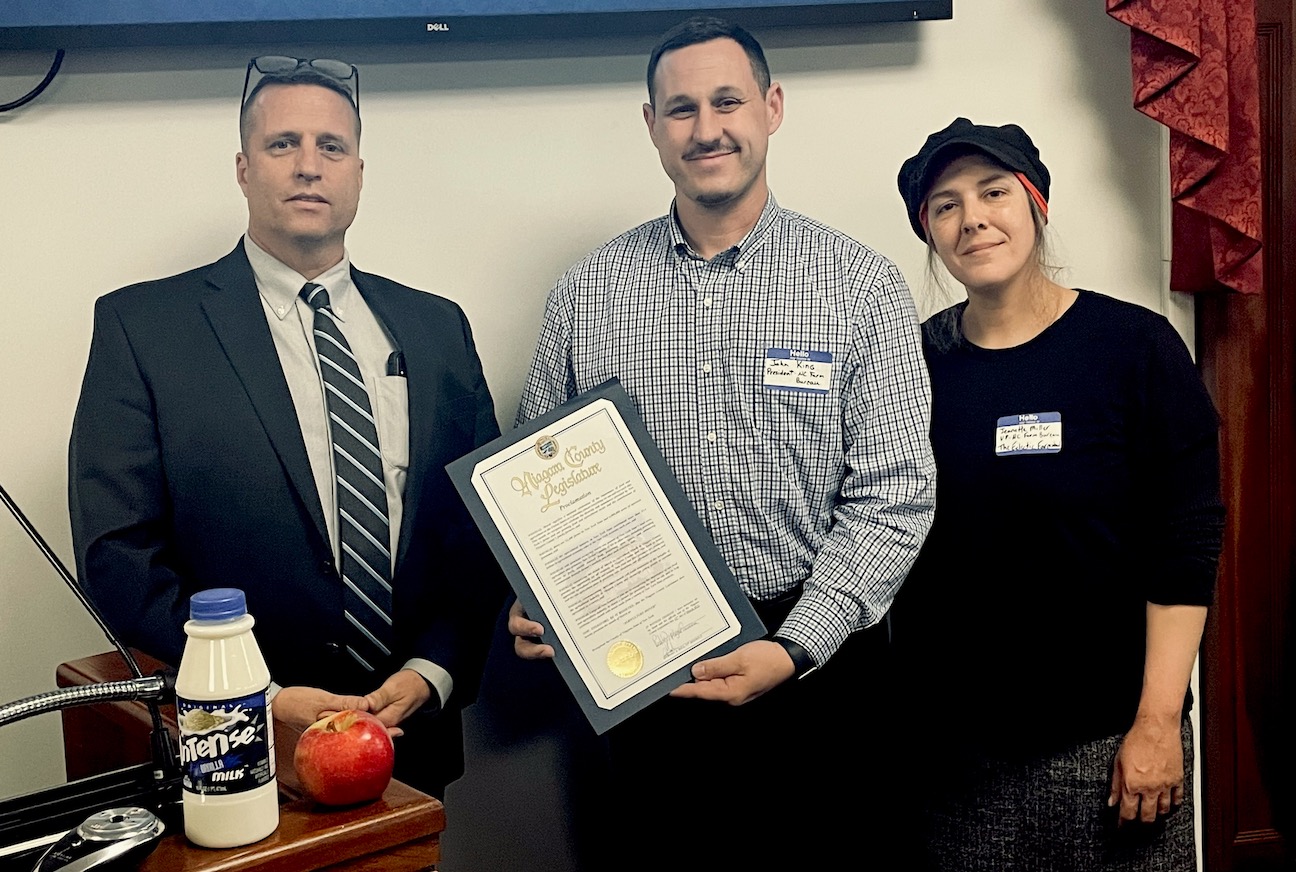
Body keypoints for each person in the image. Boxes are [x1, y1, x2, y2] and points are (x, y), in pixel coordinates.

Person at [506, 15, 936, 869]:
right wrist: (535, 591)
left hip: (817, 670)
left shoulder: (860, 285)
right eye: (682, 109)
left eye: (728, 102)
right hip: (642, 675)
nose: (706, 129)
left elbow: (895, 494)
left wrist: (794, 645)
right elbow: (534, 476)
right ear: (652, 125)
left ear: (771, 108)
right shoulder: (587, 294)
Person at [68, 56, 506, 798]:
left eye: (332, 147)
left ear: (359, 173)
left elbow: (478, 532)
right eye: (283, 144)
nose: (309, 165)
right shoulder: (142, 329)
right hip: (231, 749)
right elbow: (118, 556)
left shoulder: (438, 328)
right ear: (243, 169)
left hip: (410, 744)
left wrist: (432, 671)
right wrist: (255, 697)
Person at [890, 117, 1225, 870]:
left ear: (1036, 204)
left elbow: (1187, 539)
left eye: (993, 192)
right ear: (929, 232)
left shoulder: (1134, 347)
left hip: (1110, 748)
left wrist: (1157, 724)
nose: (972, 218)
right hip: (958, 762)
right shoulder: (913, 363)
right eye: (945, 205)